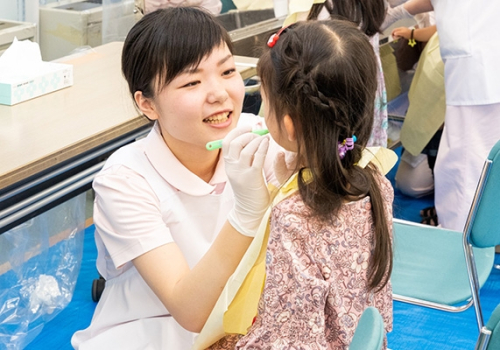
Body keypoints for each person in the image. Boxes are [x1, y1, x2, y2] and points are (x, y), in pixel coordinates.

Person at [71, 7, 280, 349]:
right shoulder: (124, 179)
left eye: (227, 71)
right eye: (192, 82)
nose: (219, 94)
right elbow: (189, 310)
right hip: (147, 331)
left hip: (240, 326)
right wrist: (246, 213)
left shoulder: (254, 138)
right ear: (147, 104)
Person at [204, 19, 394, 349]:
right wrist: (290, 182)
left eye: (265, 101)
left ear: (290, 127)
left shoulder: (293, 219)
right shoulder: (375, 179)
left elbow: (290, 338)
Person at [383, 0, 500, 231]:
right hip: (479, 58)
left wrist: (397, 10)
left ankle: (463, 244)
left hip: (476, 66)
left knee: (463, 167)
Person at [307, 0, 389, 148]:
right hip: (366, 79)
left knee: (335, 144)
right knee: (360, 146)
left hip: (338, 83)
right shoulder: (372, 4)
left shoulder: (326, 9)